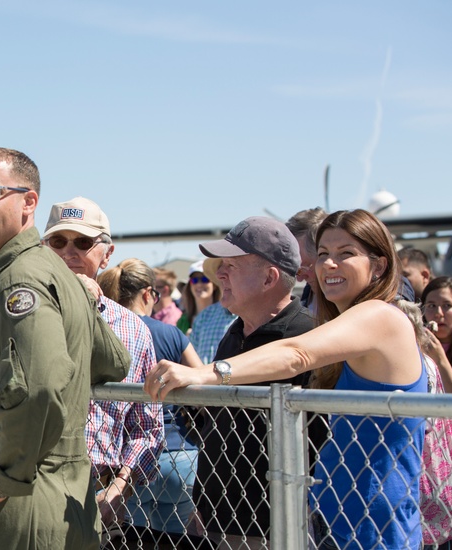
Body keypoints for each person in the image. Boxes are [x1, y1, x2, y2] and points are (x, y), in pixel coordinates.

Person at [147, 209, 429, 549]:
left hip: (372, 527)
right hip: (333, 517)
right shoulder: (342, 325)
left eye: (346, 254)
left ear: (380, 266)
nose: (329, 265)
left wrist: (205, 372)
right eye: (323, 254)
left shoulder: (382, 316)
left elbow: (297, 353)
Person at [0, 147, 130, 549]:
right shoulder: (55, 274)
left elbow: (39, 387)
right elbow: (113, 362)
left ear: (29, 202)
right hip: (64, 499)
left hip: (13, 509)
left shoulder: (19, 280)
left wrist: (1, 480)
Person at [164, 216, 315, 549]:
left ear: (269, 278)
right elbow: (218, 430)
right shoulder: (234, 334)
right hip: (220, 518)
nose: (219, 274)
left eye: (232, 265)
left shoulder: (307, 336)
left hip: (275, 527)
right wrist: (203, 500)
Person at [40, 196, 162, 542]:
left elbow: (147, 425)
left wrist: (120, 488)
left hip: (98, 490)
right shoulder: (18, 311)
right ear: (42, 248)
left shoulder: (133, 329)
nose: (69, 252)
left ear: (106, 254)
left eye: (82, 242)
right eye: (58, 242)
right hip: (28, 482)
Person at [98, 259, 206, 545]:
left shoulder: (106, 331)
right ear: (147, 294)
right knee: (176, 537)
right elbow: (200, 381)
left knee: (131, 536)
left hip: (125, 459)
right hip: (176, 453)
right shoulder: (170, 332)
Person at [420, 277, 452, 388]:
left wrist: (440, 359)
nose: (438, 313)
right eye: (431, 306)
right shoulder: (415, 346)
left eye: (447, 305)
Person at [287, 207, 328, 313]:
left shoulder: (354, 306)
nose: (299, 279)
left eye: (305, 266)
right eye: (295, 269)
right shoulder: (308, 295)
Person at [176, 260, 220, 335]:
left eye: (205, 279)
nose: (199, 284)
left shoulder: (223, 316)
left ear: (214, 285)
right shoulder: (183, 321)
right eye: (194, 280)